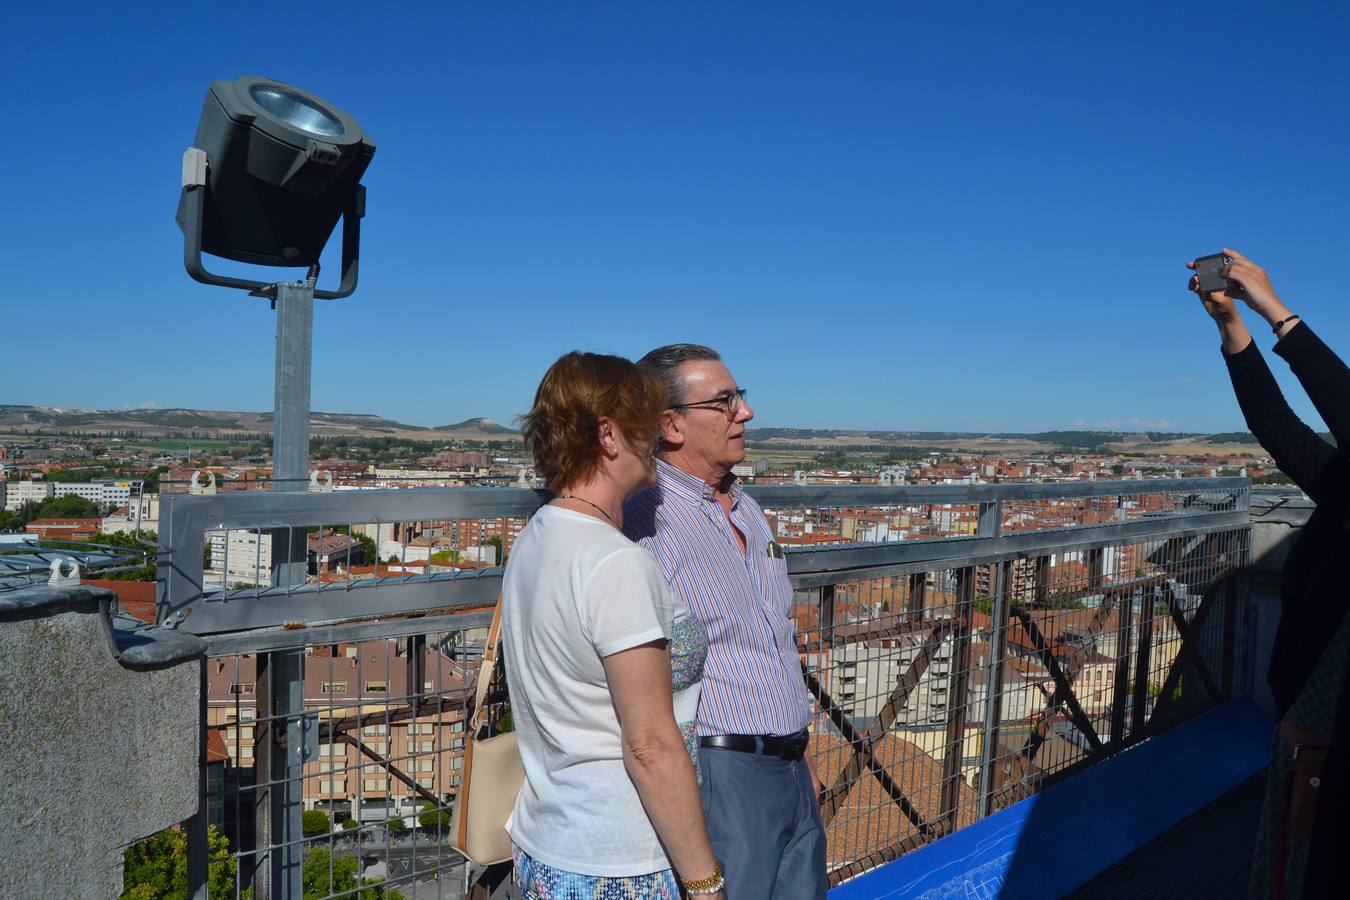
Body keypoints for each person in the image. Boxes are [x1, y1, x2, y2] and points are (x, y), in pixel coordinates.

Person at [501, 351, 724, 899]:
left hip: (546, 843)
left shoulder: (537, 536)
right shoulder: (614, 563)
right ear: (608, 434)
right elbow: (649, 745)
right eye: (647, 423)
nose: (659, 436)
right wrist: (706, 882)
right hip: (621, 860)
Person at [625, 343, 828, 900]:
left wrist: (802, 753)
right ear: (670, 425)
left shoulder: (747, 507)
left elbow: (775, 638)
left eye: (740, 397)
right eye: (724, 401)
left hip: (791, 765)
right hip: (720, 772)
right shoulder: (645, 519)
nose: (746, 412)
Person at [1187, 249, 1350, 899]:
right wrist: (1232, 326)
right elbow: (1278, 427)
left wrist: (1277, 310)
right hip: (1308, 747)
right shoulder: (1343, 484)